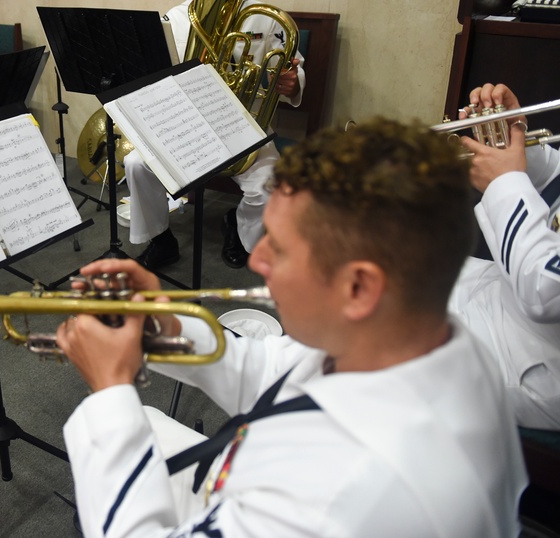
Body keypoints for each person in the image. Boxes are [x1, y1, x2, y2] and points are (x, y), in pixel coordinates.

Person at [56, 119, 527, 537]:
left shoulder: (339, 492)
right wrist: (159, 320)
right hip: (260, 466)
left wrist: (110, 392)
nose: (256, 259)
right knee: (148, 427)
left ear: (359, 288)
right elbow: (273, 372)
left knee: (114, 443)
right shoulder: (415, 331)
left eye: (277, 248)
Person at [127, 0, 305, 270]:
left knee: (270, 184)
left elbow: (295, 65)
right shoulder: (176, 19)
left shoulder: (264, 19)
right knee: (136, 163)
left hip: (244, 127)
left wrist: (292, 82)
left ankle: (239, 229)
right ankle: (161, 239)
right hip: (187, 126)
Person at [448, 82, 560, 430]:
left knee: (375, 333)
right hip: (505, 293)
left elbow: (546, 289)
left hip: (536, 361)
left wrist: (504, 181)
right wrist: (512, 134)